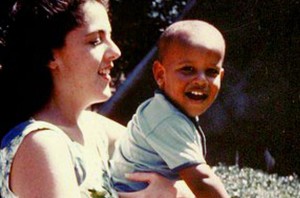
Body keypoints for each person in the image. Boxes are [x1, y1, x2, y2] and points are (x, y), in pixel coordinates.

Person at [0, 0, 194, 197]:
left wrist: (172, 191)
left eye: (109, 37)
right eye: (95, 41)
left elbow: (182, 173)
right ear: (50, 56)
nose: (115, 52)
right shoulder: (40, 144)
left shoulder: (93, 128)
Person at [110, 20, 229, 198]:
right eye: (188, 69)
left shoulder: (169, 111)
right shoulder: (166, 119)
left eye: (211, 72)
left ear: (221, 76)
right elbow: (203, 181)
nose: (201, 80)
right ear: (160, 74)